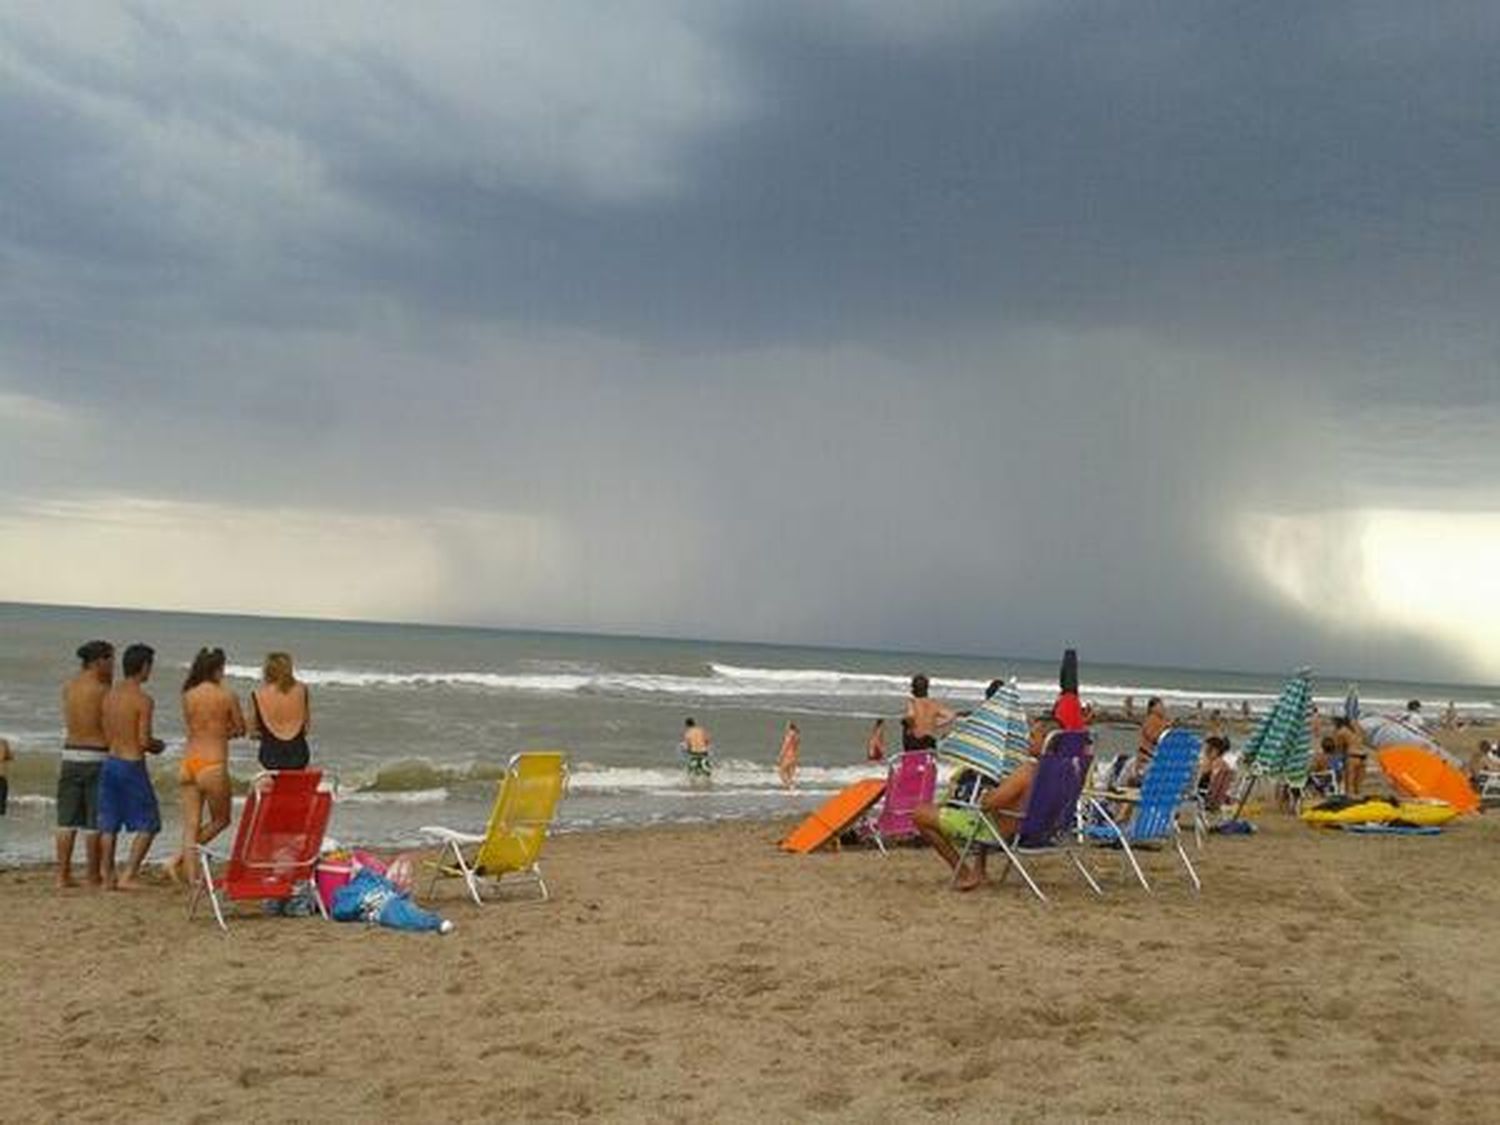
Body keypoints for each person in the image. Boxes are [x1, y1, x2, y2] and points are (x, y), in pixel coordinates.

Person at [911, 713, 1059, 891]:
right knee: (989, 812)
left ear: (1046, 741)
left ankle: (964, 874)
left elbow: (987, 804)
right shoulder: (1063, 771)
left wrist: (988, 792)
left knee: (920, 814)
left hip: (1003, 832)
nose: (1028, 740)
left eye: (1033, 736)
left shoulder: (1029, 771)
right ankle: (980, 871)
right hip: (1043, 832)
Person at [171, 647, 245, 883]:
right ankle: (176, 859)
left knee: (191, 824)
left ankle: (192, 877)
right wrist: (228, 732)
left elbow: (193, 726)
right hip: (212, 763)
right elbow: (239, 728)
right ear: (217, 669)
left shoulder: (188, 694)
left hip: (189, 761)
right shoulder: (226, 695)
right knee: (221, 820)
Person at [98, 644, 166, 890]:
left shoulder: (109, 696)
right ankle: (129, 874)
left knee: (109, 823)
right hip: (131, 763)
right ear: (144, 667)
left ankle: (107, 876)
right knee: (150, 823)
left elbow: (105, 733)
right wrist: (159, 746)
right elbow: (144, 740)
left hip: (110, 761)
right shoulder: (143, 700)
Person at [58, 640, 115, 888]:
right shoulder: (103, 690)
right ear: (97, 661)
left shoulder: (69, 687)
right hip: (96, 754)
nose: (113, 664)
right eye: (110, 659)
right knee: (95, 822)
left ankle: (62, 875)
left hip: (70, 753)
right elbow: (109, 726)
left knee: (66, 821)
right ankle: (93, 875)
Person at [247, 652, 311, 770]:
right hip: (299, 755)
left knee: (271, 785)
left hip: (270, 756)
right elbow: (306, 728)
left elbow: (251, 732)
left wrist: (267, 734)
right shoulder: (302, 690)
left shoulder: (257, 695)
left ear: (267, 670)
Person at [903, 674, 955, 751]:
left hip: (914, 741)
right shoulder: (934, 703)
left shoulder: (912, 702)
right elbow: (951, 716)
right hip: (929, 740)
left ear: (913, 688)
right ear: (927, 688)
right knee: (928, 759)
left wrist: (909, 725)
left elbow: (911, 715)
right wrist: (935, 723)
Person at [1332, 716, 1367, 795]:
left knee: (1349, 785)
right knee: (1358, 786)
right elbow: (1364, 739)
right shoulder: (1358, 730)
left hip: (1352, 757)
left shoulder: (1342, 732)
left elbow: (1339, 748)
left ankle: (1351, 803)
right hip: (1363, 757)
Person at [777, 721, 801, 789]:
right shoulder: (797, 736)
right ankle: (790, 786)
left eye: (787, 726)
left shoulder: (789, 735)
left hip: (788, 756)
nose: (786, 728)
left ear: (790, 727)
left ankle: (787, 785)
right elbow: (797, 748)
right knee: (789, 773)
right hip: (794, 756)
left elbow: (785, 746)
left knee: (781, 771)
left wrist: (780, 756)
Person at [0, 737, 12, 816]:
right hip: (2, 779)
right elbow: (10, 757)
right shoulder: (3, 743)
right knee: (1, 808)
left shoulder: (3, 743)